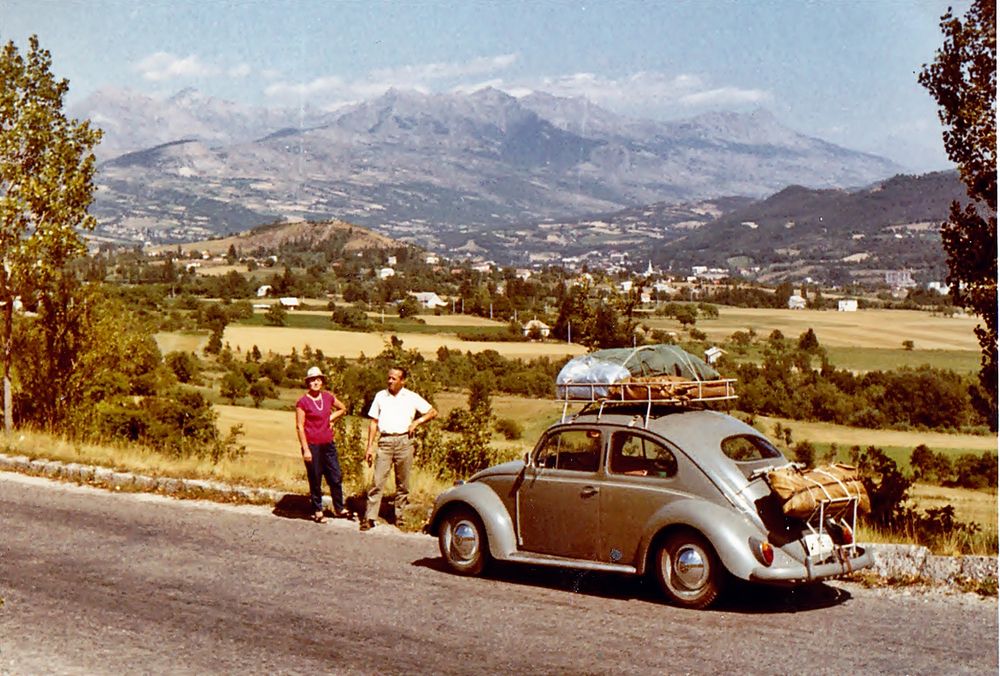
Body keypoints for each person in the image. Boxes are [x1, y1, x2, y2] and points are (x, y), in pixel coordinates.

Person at [361, 366, 437, 531]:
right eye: (389, 377)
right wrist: (369, 448)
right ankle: (369, 517)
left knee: (403, 483)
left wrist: (417, 422)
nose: (390, 381)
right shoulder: (381, 396)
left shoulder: (411, 397)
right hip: (385, 441)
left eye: (394, 378)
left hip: (404, 441)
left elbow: (432, 412)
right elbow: (373, 422)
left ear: (403, 381)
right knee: (377, 480)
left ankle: (399, 516)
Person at [295, 365, 349, 523]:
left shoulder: (328, 397)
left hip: (328, 444)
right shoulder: (302, 402)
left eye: (318, 379)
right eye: (312, 380)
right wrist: (306, 449)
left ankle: (339, 508)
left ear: (322, 381)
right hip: (312, 446)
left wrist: (331, 419)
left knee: (335, 476)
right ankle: (318, 510)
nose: (315, 382)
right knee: (315, 478)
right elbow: (299, 426)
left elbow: (342, 408)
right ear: (308, 383)